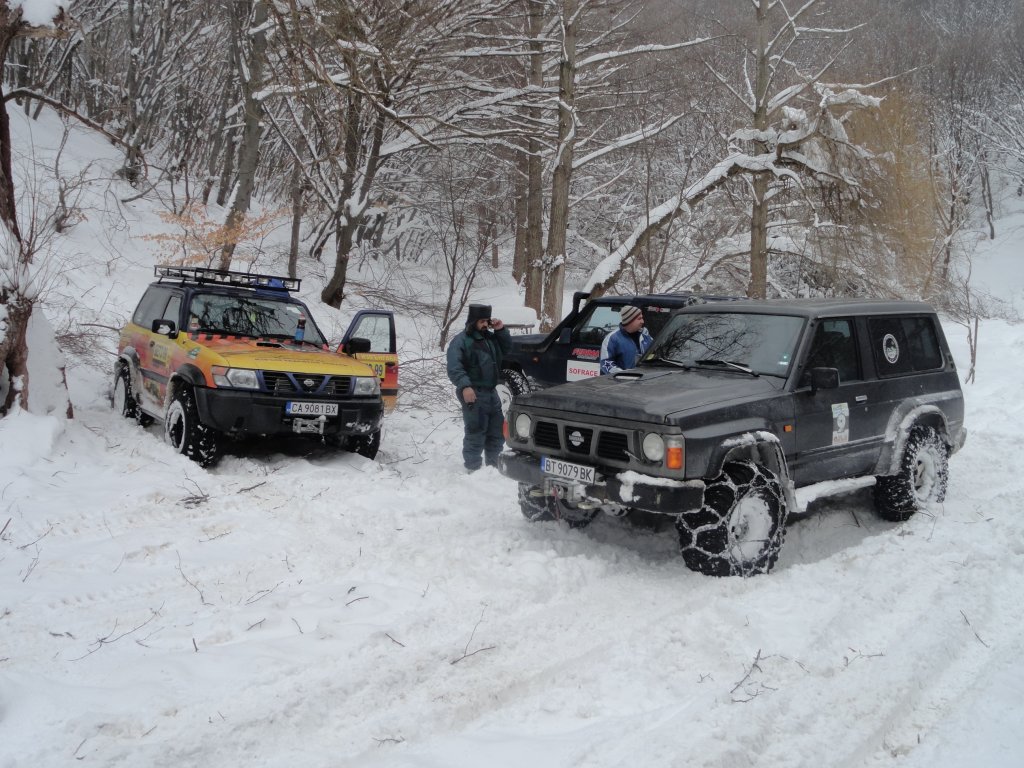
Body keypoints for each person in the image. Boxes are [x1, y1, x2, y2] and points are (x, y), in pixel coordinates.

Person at [446, 304, 512, 472]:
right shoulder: (461, 341)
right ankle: (473, 468)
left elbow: (507, 349)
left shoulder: (490, 339)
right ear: (473, 321)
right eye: (481, 321)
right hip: (473, 391)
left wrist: (500, 330)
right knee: (476, 431)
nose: (484, 324)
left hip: (491, 391)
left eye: (486, 321)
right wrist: (465, 386)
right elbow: (455, 367)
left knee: (496, 432)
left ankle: (493, 467)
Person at [600, 304, 652, 375]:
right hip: (621, 383)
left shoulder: (646, 336)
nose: (642, 321)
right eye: (639, 319)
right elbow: (606, 363)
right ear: (629, 320)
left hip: (645, 381)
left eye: (642, 318)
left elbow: (655, 355)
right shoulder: (612, 338)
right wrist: (623, 375)